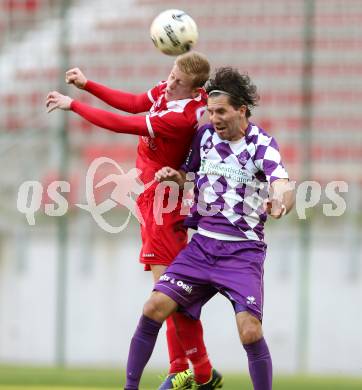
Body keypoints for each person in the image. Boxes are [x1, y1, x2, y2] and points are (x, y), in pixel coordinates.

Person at [46, 52, 221, 389]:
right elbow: (136, 102)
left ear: (194, 88)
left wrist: (74, 105)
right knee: (169, 290)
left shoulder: (182, 117)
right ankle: (188, 369)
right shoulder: (179, 94)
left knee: (170, 292)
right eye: (171, 75)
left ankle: (196, 370)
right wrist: (88, 85)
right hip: (155, 198)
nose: (169, 83)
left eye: (178, 82)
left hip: (163, 202)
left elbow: (124, 123)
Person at [123, 67, 295, 390]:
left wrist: (281, 200)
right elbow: (190, 174)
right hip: (202, 247)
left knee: (250, 331)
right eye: (211, 111)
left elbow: (283, 184)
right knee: (153, 308)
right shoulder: (204, 138)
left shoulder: (261, 145)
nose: (214, 118)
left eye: (221, 112)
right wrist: (175, 176)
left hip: (242, 252)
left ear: (241, 110)